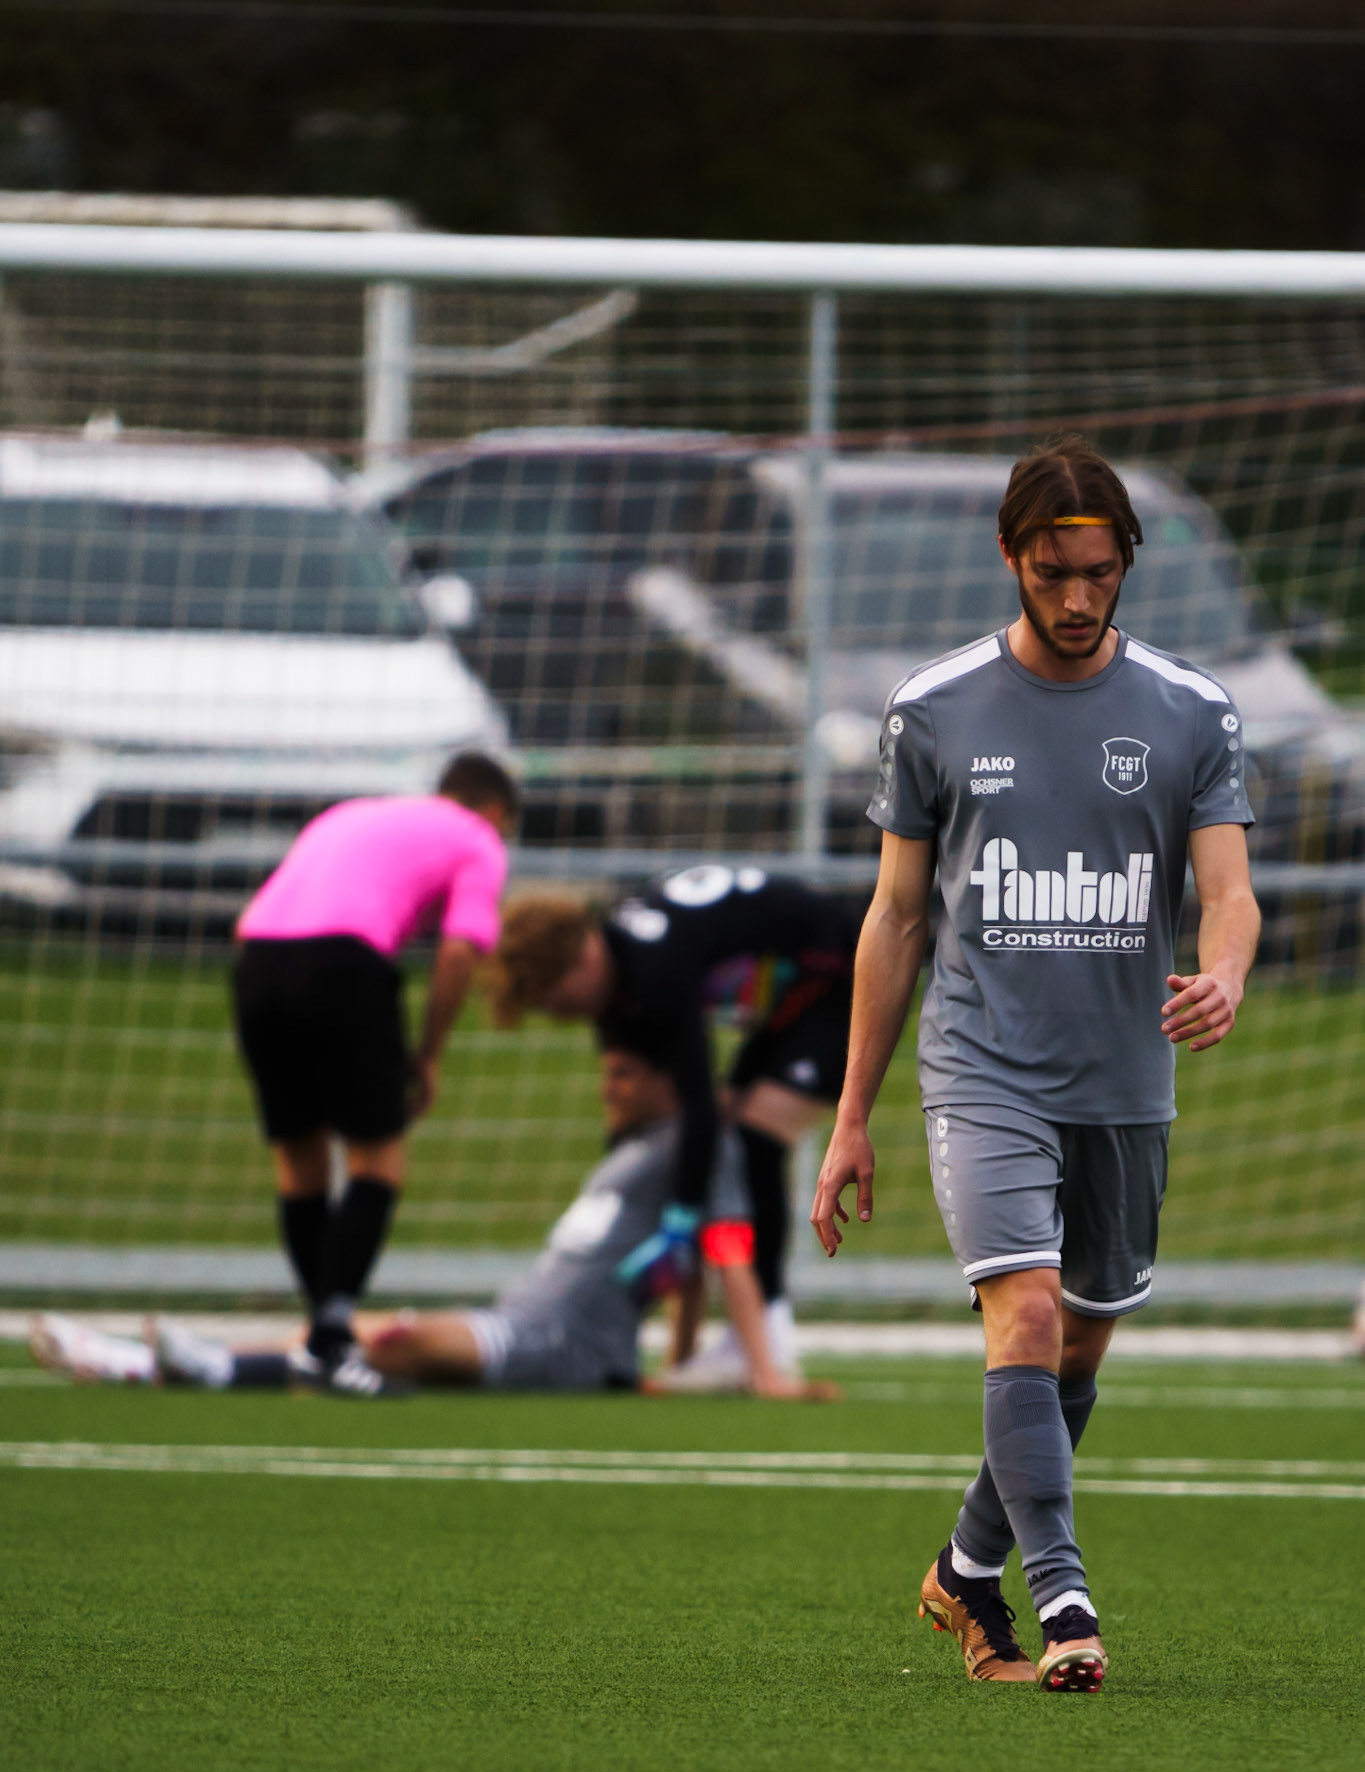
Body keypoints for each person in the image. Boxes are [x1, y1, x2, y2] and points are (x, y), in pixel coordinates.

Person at [811, 432, 1260, 1693]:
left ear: (1127, 566)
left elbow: (1229, 892)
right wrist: (851, 1113)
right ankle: (1060, 1601)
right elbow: (897, 916)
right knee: (1026, 1309)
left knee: (1076, 1352)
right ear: (1010, 556)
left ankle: (962, 1570)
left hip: (1124, 1079)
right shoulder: (935, 707)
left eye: (1099, 574)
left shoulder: (1191, 710)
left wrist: (1224, 973)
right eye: (1053, 571)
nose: (1076, 598)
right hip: (982, 1067)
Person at [32, 1042, 836, 1401]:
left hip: (556, 1344)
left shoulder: (699, 1143)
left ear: (667, 1080)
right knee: (347, 1333)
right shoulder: (638, 1149)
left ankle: (198, 1367)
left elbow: (724, 1248)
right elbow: (676, 1260)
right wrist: (681, 1359)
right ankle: (150, 1362)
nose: (607, 1088)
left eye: (622, 1074)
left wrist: (764, 1374)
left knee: (393, 1340)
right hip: (522, 1321)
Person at [488, 865, 857, 1374]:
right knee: (718, 1155)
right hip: (787, 992)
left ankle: (767, 1337)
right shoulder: (619, 977)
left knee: (752, 1144)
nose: (562, 1016)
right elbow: (642, 1119)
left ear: (583, 959)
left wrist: (680, 1220)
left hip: (838, 967)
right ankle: (690, 1350)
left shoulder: (655, 971)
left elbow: (697, 1102)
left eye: (560, 1002)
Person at [230, 750, 517, 1383]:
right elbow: (460, 951)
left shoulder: (349, 814)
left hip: (256, 964)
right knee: (377, 1160)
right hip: (345, 964)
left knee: (299, 1162)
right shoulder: (479, 838)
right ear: (496, 810)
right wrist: (429, 1053)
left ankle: (323, 1334)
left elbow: (252, 918)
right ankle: (333, 1338)